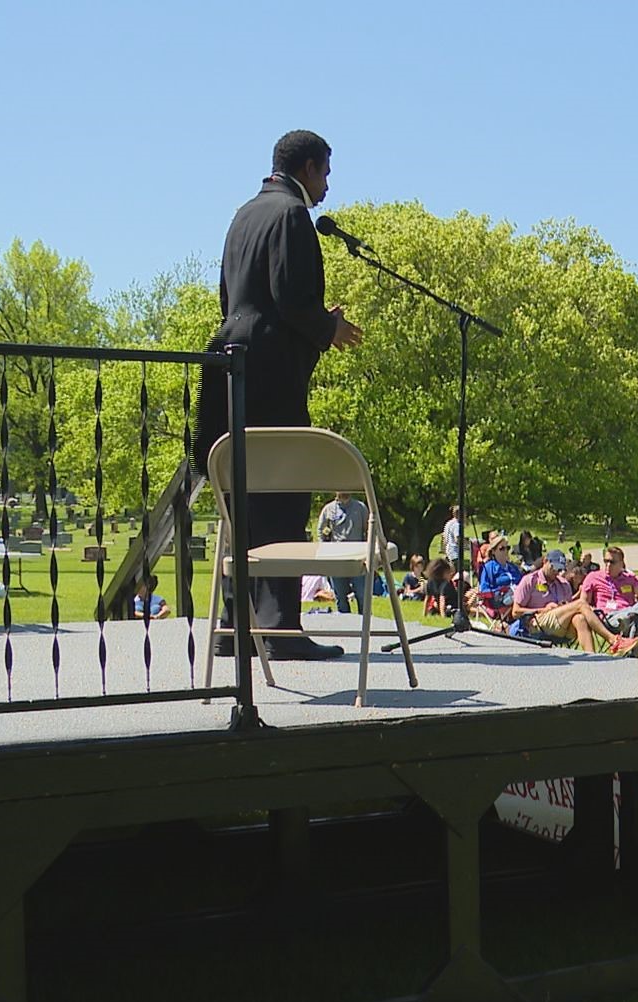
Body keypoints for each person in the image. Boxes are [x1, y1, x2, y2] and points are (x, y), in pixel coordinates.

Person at [195, 130, 363, 667]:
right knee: (283, 499)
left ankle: (233, 626)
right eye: (327, 173)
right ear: (308, 167)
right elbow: (291, 299)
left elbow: (234, 296)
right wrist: (327, 328)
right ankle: (281, 630)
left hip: (232, 366)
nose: (328, 186)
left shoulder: (242, 215)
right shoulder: (292, 215)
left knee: (243, 500)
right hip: (272, 374)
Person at [317, 489, 371, 614]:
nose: (344, 491)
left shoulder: (360, 508)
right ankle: (345, 623)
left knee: (362, 595)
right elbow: (320, 530)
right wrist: (324, 549)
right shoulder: (329, 509)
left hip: (358, 558)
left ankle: (366, 624)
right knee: (340, 597)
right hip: (337, 558)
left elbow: (369, 530)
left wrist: (369, 552)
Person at [582, 546, 638, 638]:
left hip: (629, 613)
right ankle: (630, 616)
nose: (608, 564)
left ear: (621, 564)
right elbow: (583, 603)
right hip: (608, 617)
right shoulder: (593, 577)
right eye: (606, 561)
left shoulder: (630, 578)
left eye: (612, 562)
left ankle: (631, 651)